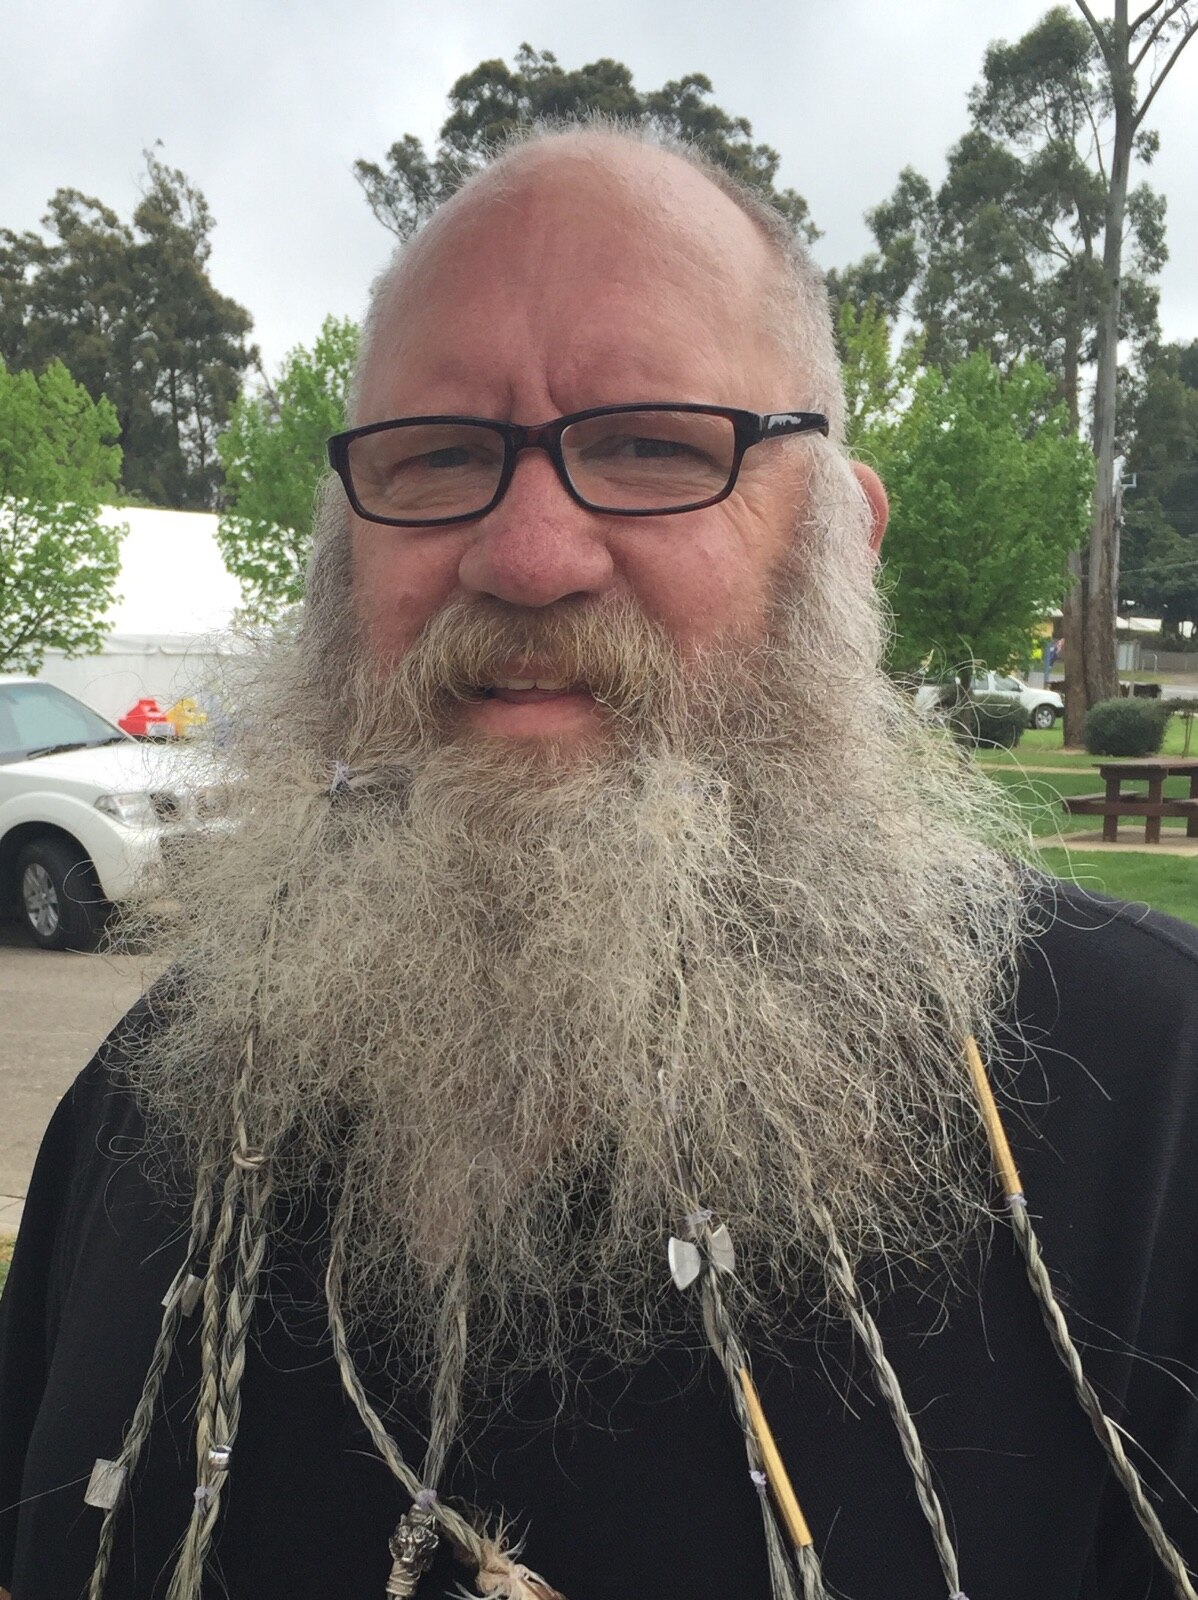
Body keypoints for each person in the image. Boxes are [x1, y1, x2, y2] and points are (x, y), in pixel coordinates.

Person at [2, 124, 1197, 1600]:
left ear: (842, 535)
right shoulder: (152, 1107)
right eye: (439, 455)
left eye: (651, 446)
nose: (527, 554)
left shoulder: (1153, 1096)